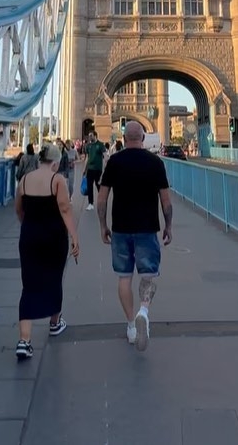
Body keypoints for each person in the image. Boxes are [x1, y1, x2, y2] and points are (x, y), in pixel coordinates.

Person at [96, 120, 172, 352]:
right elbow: (166, 202)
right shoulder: (155, 162)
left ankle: (131, 325)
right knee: (148, 275)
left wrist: (102, 226)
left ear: (124, 137)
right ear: (143, 137)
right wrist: (168, 225)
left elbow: (101, 199)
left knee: (124, 278)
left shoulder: (114, 161)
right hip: (147, 228)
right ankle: (144, 311)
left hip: (120, 229)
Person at [14, 143, 79, 360]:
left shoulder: (24, 180)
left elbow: (19, 209)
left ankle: (24, 341)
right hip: (53, 237)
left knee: (29, 284)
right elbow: (65, 208)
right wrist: (74, 237)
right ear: (55, 162)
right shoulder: (57, 179)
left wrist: (29, 226)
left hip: (29, 236)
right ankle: (54, 323)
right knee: (53, 279)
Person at [84, 131, 106, 211]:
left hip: (98, 169)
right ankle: (90, 203)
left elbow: (105, 155)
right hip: (90, 169)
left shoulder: (100, 145)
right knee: (89, 187)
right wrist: (84, 169)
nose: (90, 137)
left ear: (95, 136)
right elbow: (87, 158)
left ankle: (101, 201)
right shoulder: (88, 146)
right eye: (89, 136)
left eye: (91, 136)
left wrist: (105, 168)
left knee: (98, 186)